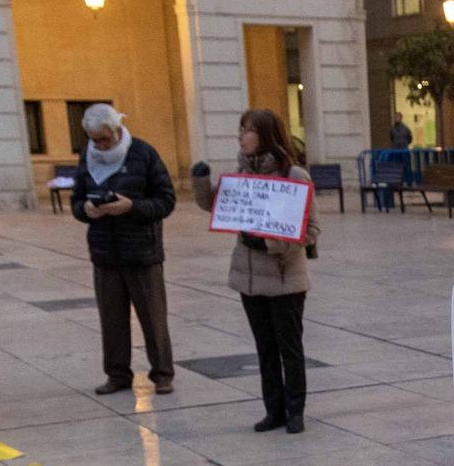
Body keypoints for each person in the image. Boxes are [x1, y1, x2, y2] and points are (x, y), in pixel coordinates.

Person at [191, 108, 319, 434]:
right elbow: (216, 206)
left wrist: (270, 244)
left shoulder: (294, 176)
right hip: (249, 279)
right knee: (264, 350)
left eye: (247, 130)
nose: (241, 137)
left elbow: (311, 230)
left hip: (284, 279)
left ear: (266, 135)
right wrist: (201, 181)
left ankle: (295, 410)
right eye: (240, 130)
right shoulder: (241, 175)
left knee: (289, 348)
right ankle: (272, 409)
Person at [71, 103, 177, 396]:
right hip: (105, 253)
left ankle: (163, 374)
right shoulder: (88, 158)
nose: (100, 144)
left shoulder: (143, 153)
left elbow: (166, 200)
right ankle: (117, 374)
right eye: (94, 139)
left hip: (142, 252)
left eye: (104, 138)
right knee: (112, 319)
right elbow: (76, 201)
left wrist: (132, 207)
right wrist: (87, 210)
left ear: (117, 130)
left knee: (153, 317)